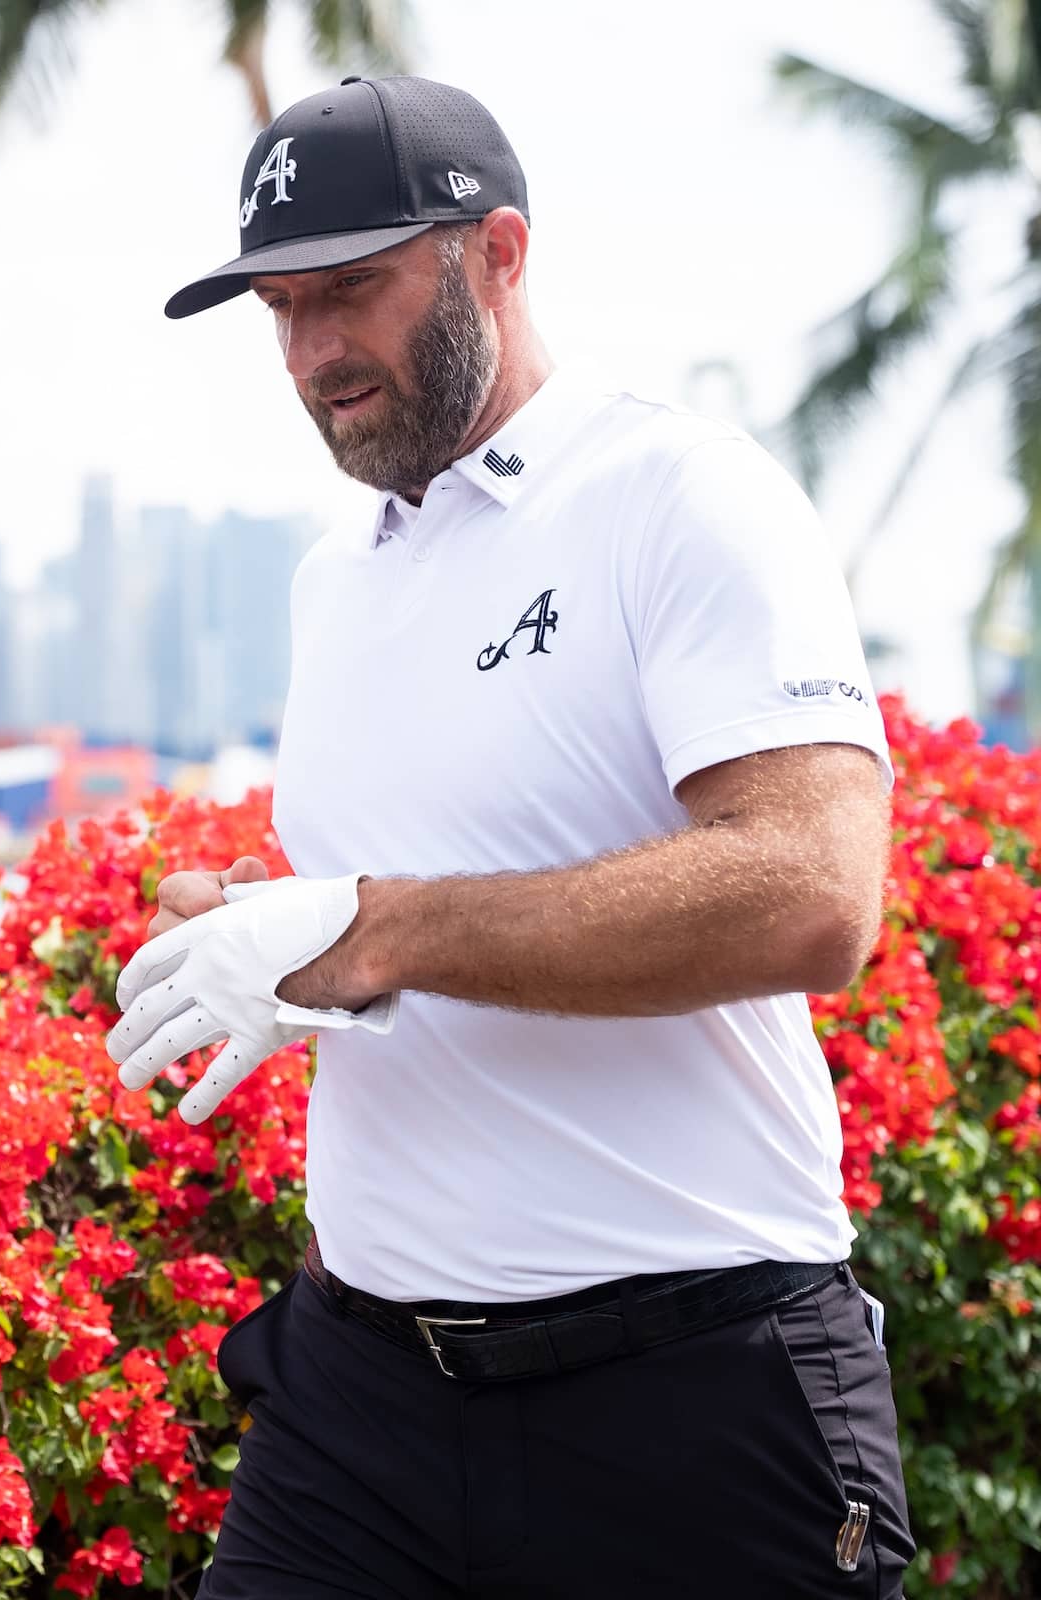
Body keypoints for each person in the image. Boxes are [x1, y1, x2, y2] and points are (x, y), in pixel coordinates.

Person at [107, 74, 915, 1598]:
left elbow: (813, 891)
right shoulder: (335, 580)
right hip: (359, 1398)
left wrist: (376, 930)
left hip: (687, 1390)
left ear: (498, 252)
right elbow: (413, 883)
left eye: (354, 290)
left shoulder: (681, 498)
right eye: (279, 309)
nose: (313, 353)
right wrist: (272, 934)